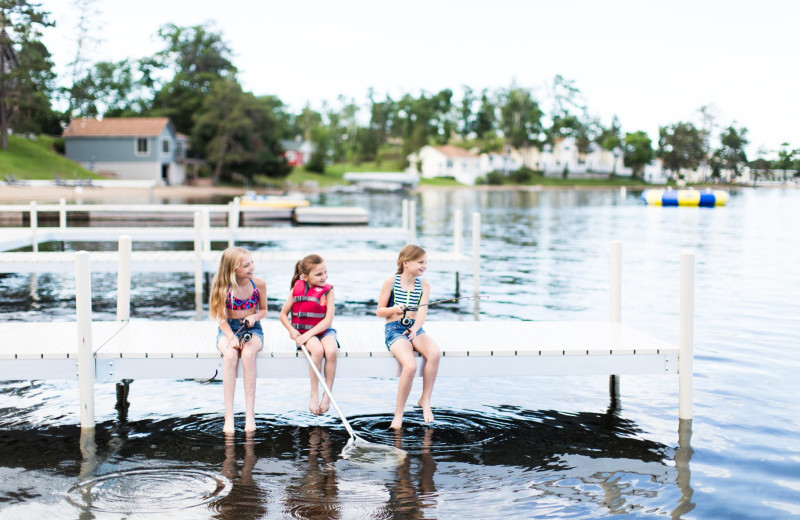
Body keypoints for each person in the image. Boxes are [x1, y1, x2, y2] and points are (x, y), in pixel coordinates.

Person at [377, 244, 441, 429]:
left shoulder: (424, 285)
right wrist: (393, 309)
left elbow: (422, 313)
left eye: (426, 262)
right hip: (394, 330)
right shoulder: (391, 282)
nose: (425, 266)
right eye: (420, 262)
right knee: (410, 366)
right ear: (406, 263)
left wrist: (416, 329)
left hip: (415, 329)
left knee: (435, 354)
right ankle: (399, 414)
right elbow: (380, 311)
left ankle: (425, 400)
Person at [209, 247, 267, 433]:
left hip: (252, 329)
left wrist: (254, 317)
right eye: (246, 265)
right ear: (232, 269)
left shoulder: (258, 284)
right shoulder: (223, 288)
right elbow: (221, 319)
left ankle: (250, 414)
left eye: (251, 263)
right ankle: (229, 416)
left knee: (248, 354)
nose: (252, 267)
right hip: (228, 329)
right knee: (231, 357)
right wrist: (231, 337)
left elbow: (264, 310)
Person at [279, 254, 338, 415]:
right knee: (317, 351)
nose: (324, 276)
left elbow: (328, 320)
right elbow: (283, 315)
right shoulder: (296, 289)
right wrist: (293, 331)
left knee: (332, 351)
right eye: (319, 274)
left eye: (325, 272)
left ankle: (328, 393)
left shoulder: (328, 291)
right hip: (304, 332)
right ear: (304, 276)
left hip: (323, 330)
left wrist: (308, 335)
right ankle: (314, 393)